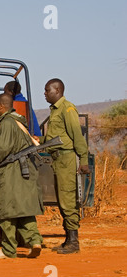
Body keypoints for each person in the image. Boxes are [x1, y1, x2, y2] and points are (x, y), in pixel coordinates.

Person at [0, 94, 44, 259]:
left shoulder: (6, 123)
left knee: (6, 211)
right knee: (24, 209)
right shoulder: (19, 121)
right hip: (25, 171)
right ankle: (34, 241)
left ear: (1, 106)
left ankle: (8, 249)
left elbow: (2, 149)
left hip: (11, 172)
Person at [35, 78, 90, 254]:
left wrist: (83, 161)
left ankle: (74, 242)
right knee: (62, 200)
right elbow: (55, 138)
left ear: (57, 90)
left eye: (47, 90)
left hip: (66, 160)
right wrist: (40, 140)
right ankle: (68, 240)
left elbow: (77, 137)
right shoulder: (55, 111)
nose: (44, 94)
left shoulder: (68, 109)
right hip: (57, 159)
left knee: (67, 200)